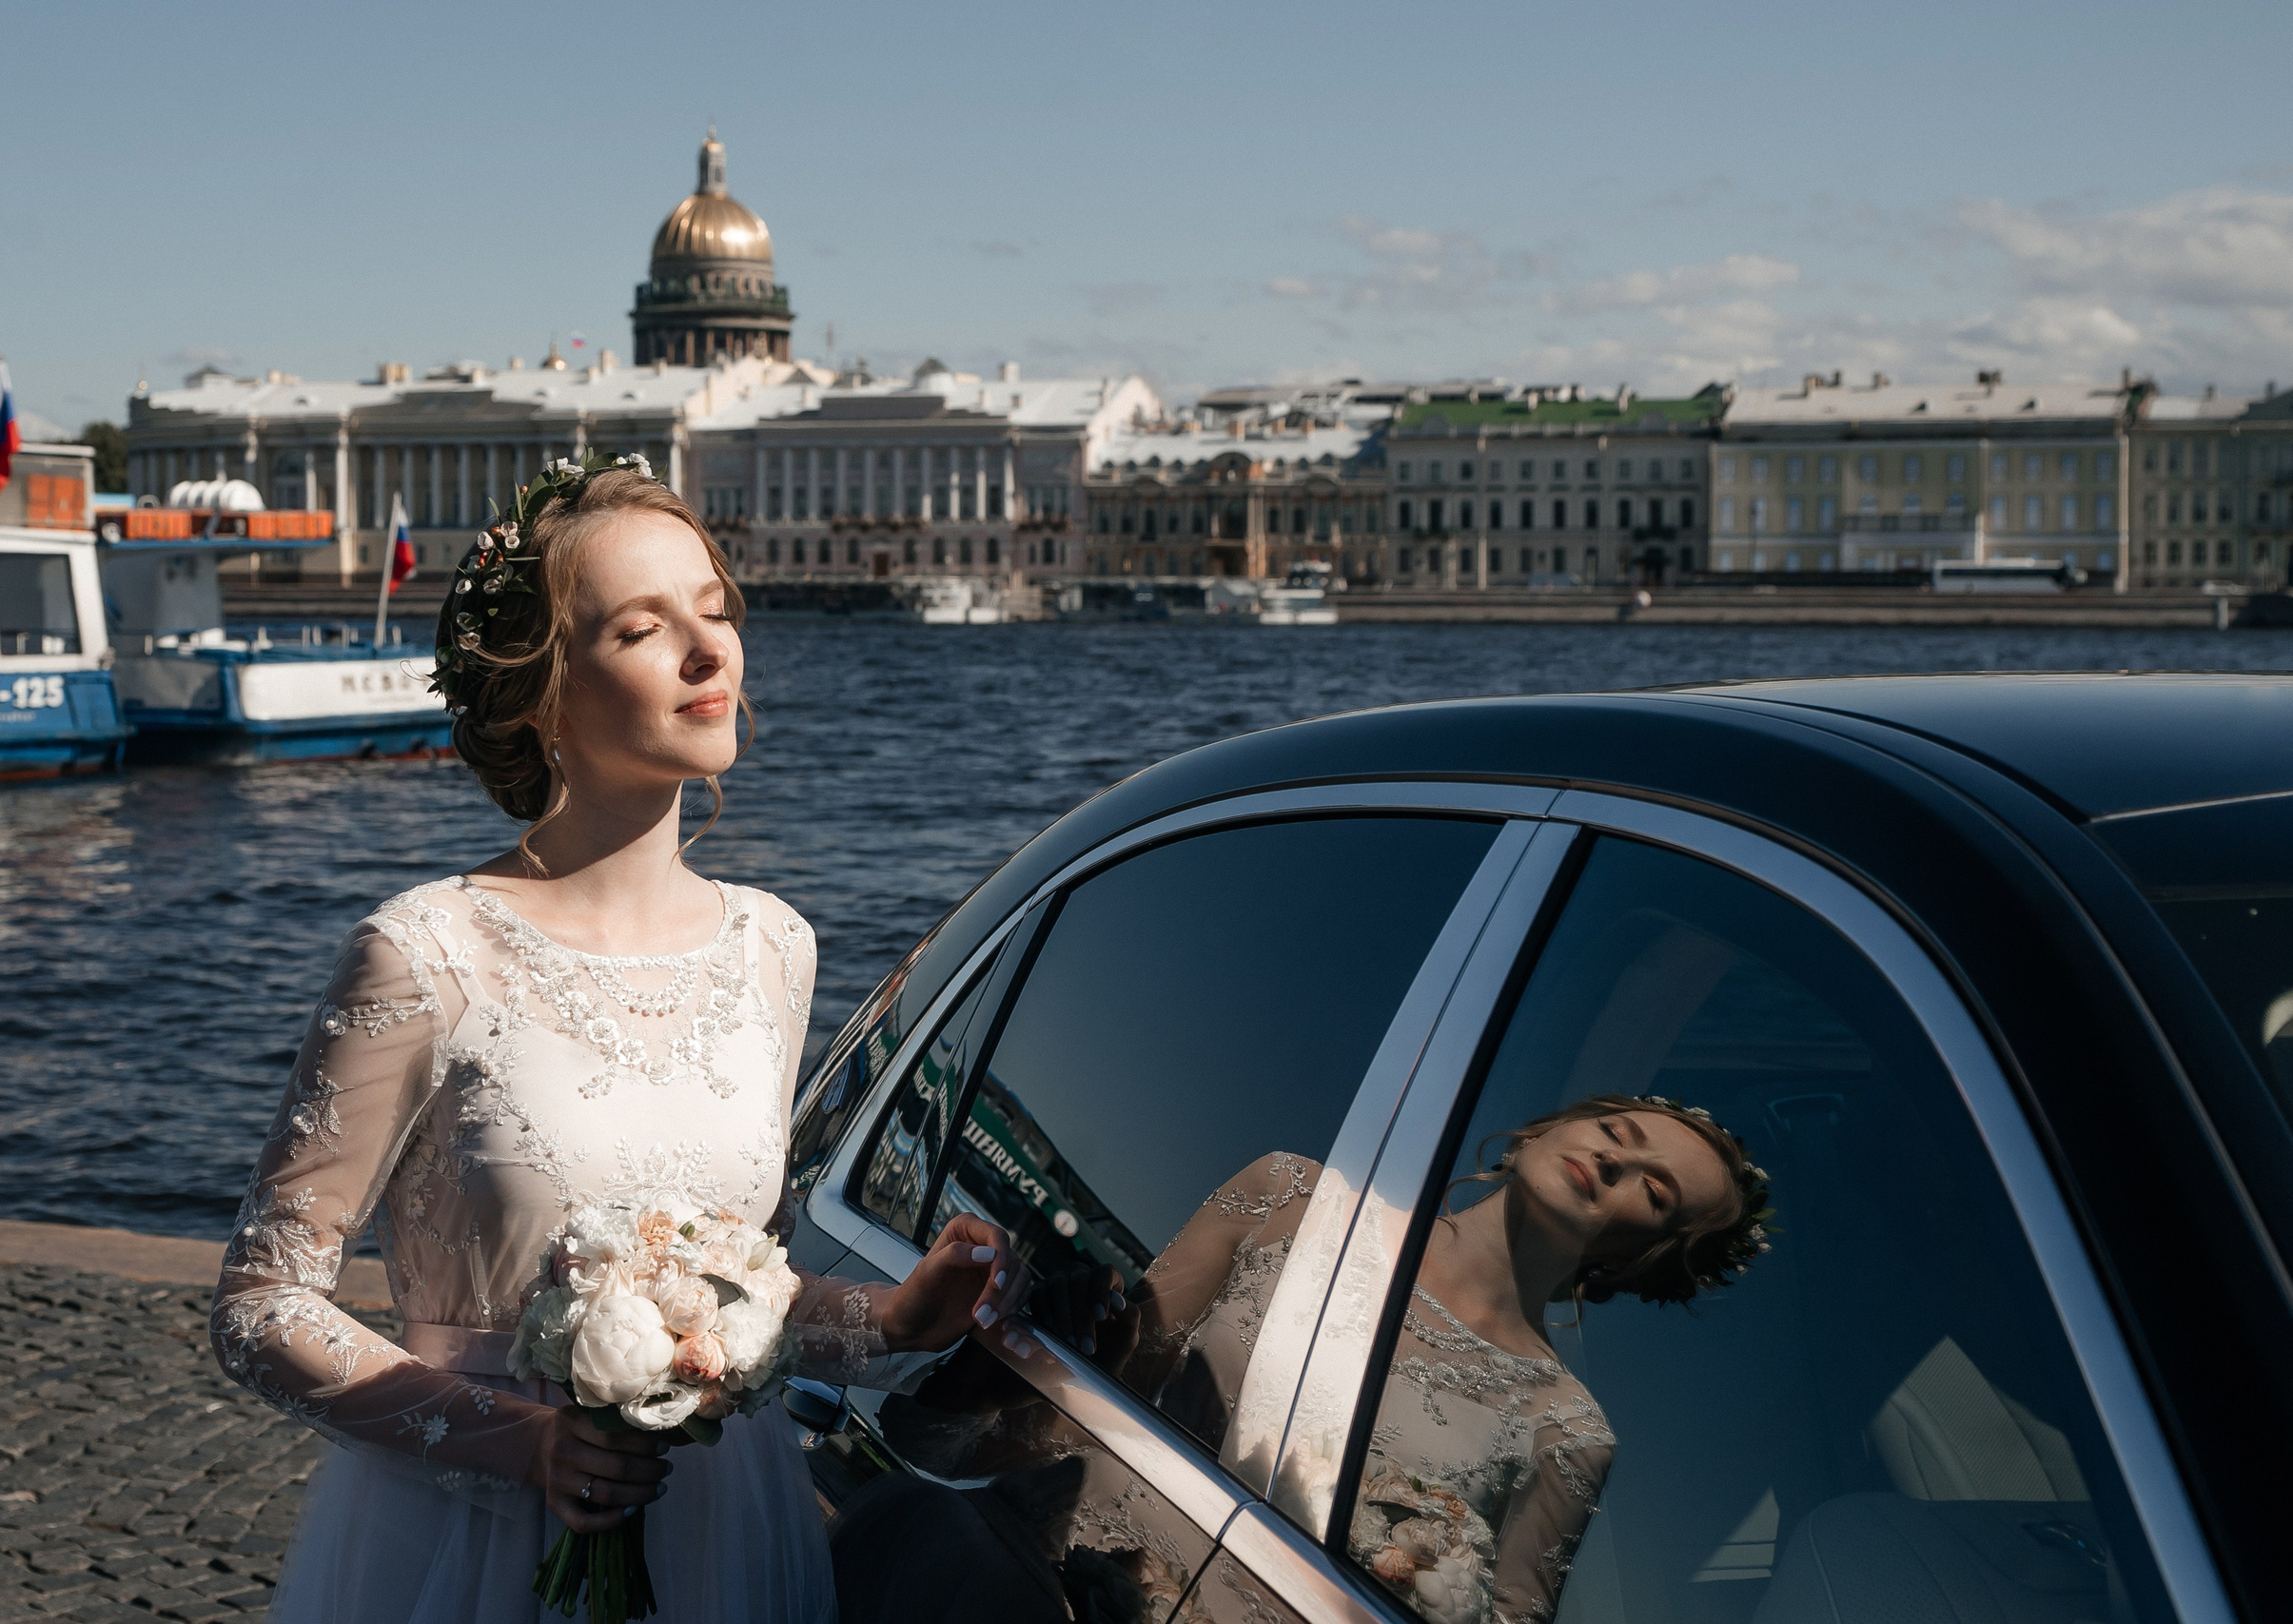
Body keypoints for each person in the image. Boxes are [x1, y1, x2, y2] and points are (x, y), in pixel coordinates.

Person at [208, 453, 1025, 1624]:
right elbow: (260, 1305)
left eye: (716, 611)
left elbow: (738, 1299)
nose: (709, 650)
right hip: (472, 1536)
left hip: (724, 1524)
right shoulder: (427, 952)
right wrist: (523, 1444)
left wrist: (891, 1321)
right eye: (646, 627)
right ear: (543, 692)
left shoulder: (772, 946)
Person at [994, 1095, 1770, 1624]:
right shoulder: (1287, 1197)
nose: (1610, 1161)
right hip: (1028, 1589)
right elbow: (1062, 1424)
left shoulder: (1565, 1431)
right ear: (1546, 1128)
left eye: (1655, 1191)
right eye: (1616, 1133)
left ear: (1642, 1259)